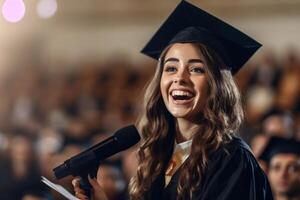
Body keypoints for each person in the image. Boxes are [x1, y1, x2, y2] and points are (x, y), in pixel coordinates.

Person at [73, 1, 274, 199]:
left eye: (196, 69)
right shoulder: (157, 155)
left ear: (218, 85)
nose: (179, 77)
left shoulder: (233, 160)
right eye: (171, 68)